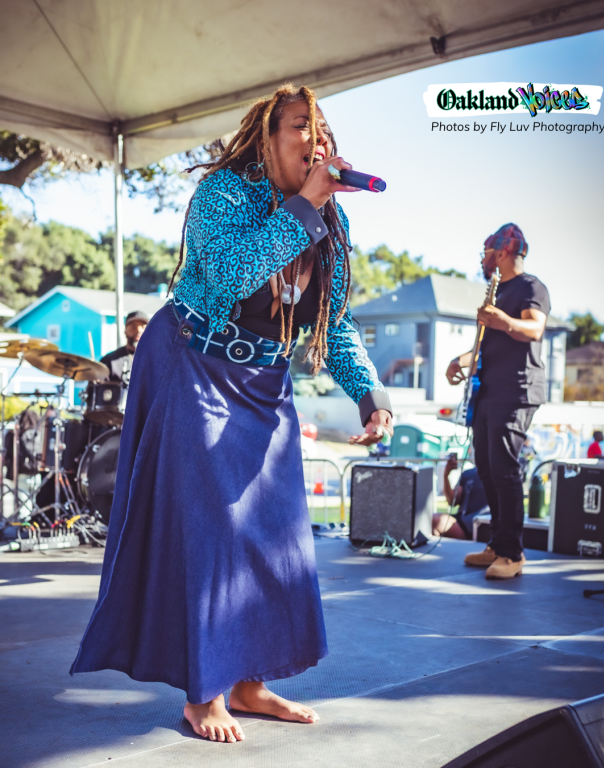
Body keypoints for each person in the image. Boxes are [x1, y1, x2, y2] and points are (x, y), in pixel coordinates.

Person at [70, 84, 393, 744]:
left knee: (276, 536)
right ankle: (203, 693)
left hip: (263, 379)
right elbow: (228, 275)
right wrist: (305, 206)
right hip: (192, 361)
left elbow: (336, 325)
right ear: (268, 137)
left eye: (321, 129)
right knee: (213, 530)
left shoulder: (330, 221)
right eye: (301, 127)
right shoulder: (225, 193)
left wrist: (371, 395)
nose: (315, 141)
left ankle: (250, 683)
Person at [446, 224, 550, 579]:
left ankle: (512, 553)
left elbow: (534, 329)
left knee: (505, 469)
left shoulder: (530, 287)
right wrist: (458, 362)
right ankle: (497, 543)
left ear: (502, 252)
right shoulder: (497, 291)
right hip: (489, 390)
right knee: (488, 469)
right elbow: (488, 346)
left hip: (517, 391)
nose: (484, 259)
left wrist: (501, 319)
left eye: (487, 252)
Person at [432, 454, 489, 540]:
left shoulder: (509, 473)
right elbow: (452, 501)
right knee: (434, 520)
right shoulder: (468, 474)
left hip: (488, 525)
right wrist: (446, 475)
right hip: (464, 525)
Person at [99, 311, 149, 384]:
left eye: (143, 327)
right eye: (133, 327)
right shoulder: (109, 361)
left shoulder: (156, 360)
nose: (138, 330)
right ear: (125, 331)